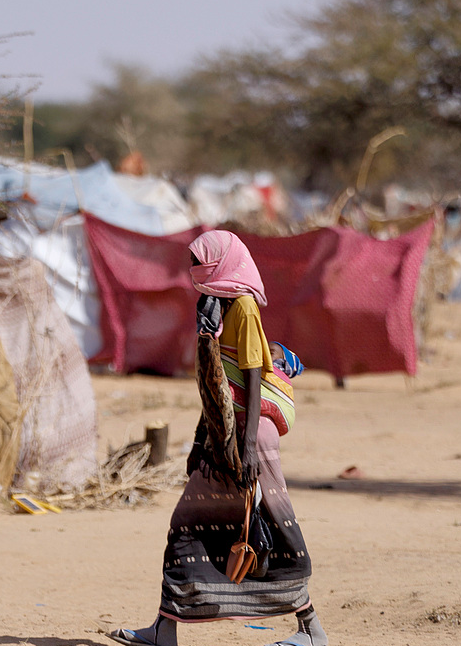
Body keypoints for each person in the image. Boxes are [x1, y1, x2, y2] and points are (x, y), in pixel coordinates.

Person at [111, 230, 327, 646]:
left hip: (249, 438)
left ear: (223, 262)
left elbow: (251, 376)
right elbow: (215, 387)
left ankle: (311, 628)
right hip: (224, 435)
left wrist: (247, 448)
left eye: (201, 260)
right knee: (193, 525)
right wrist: (200, 442)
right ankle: (165, 628)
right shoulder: (213, 306)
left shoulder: (242, 306)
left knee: (271, 526)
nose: (194, 268)